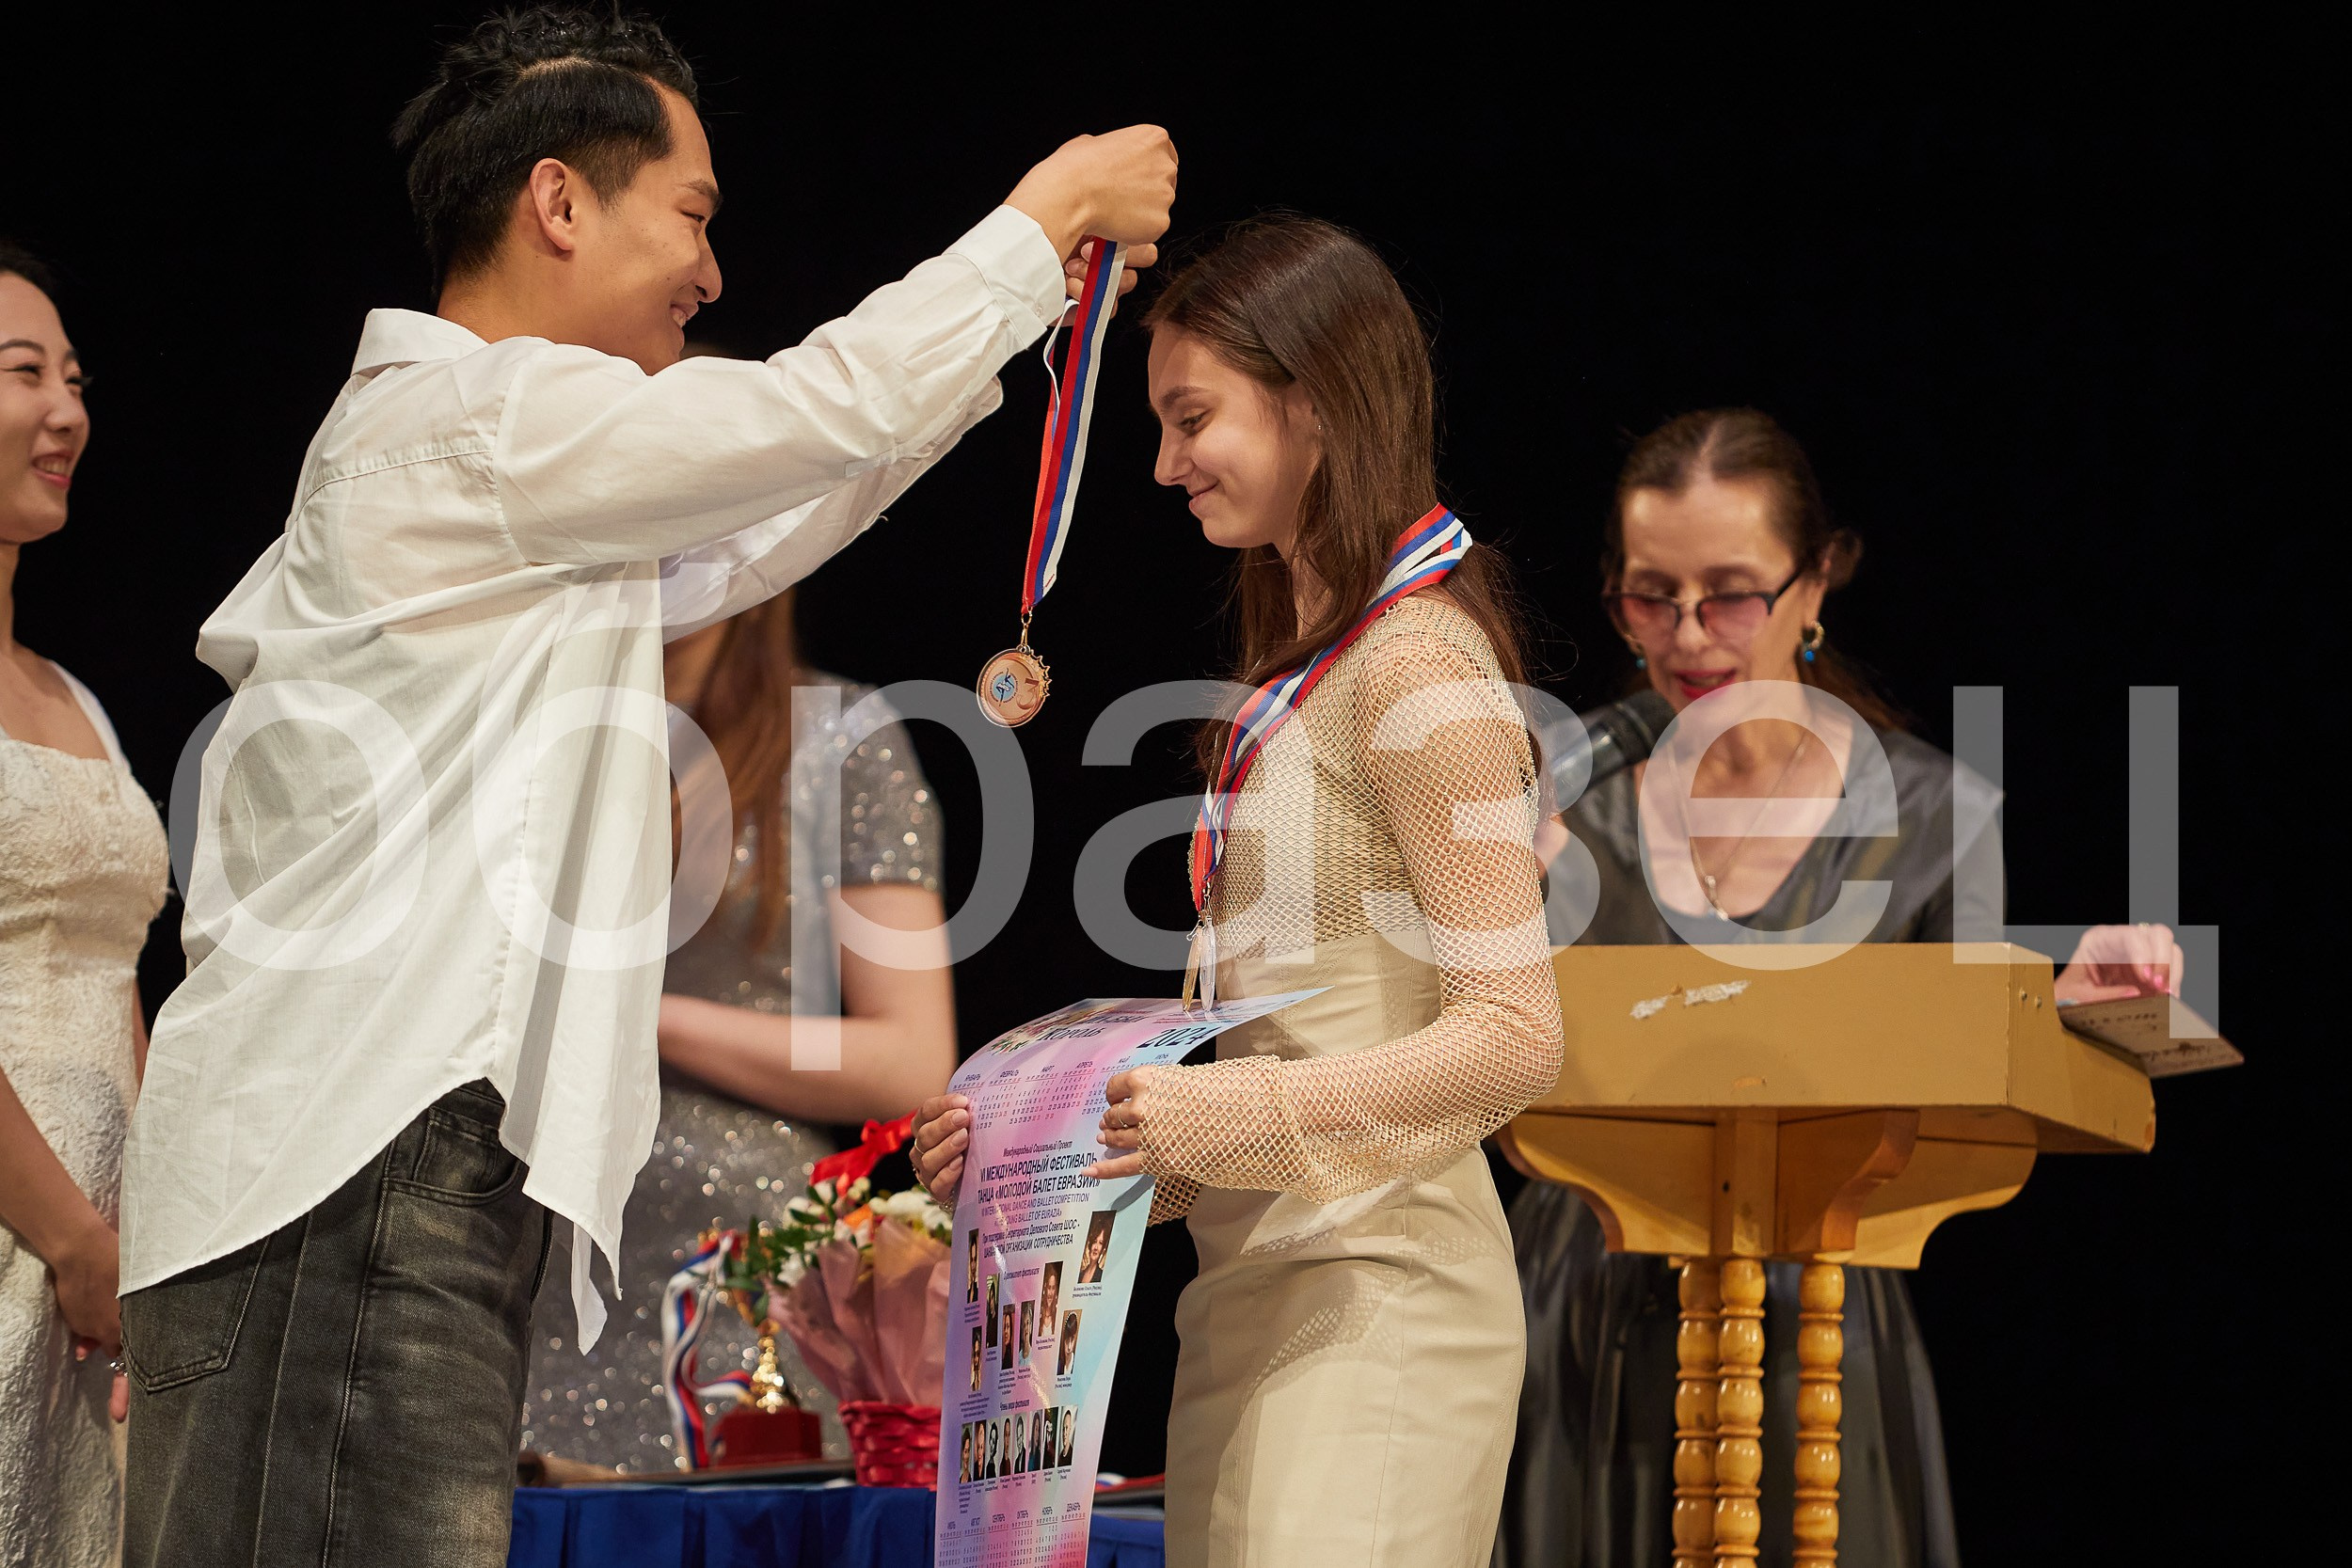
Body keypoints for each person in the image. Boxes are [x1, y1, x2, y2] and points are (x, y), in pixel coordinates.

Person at [113, 8, 1176, 1565]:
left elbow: (766, 507)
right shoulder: (481, 422)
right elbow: (812, 411)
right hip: (338, 1179)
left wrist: (1018, 315)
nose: (714, 270)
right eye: (691, 215)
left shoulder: (509, 461)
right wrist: (1041, 222)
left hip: (373, 1170)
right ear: (558, 202)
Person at [916, 214, 1563, 1566]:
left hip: (1381, 1306)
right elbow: (1275, 1067)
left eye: (1190, 417)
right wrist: (1052, 1152)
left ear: (1314, 400)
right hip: (1247, 1308)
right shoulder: (1307, 674)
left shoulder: (1422, 667)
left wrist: (1218, 1106)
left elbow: (1514, 1037)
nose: (1162, 466)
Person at [1493, 407, 2188, 1568]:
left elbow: (1955, 1085)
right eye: (1649, 595)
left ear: (1817, 583)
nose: (1687, 634)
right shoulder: (1560, 789)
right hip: (1585, 1307)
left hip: (1818, 1320)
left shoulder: (1931, 814)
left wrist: (2055, 1009)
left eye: (1729, 593)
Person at [520, 586, 956, 1469]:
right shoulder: (522, 730)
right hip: (526, 1241)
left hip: (733, 1268)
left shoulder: (837, 739)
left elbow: (910, 1056)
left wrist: (641, 1018)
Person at [0, 242, 169, 1568]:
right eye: (21, 374)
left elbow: (115, 969)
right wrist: (65, 1233)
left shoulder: (73, 695)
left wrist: (149, 1227)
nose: (66, 410)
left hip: (104, 1268)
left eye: (73, 376)